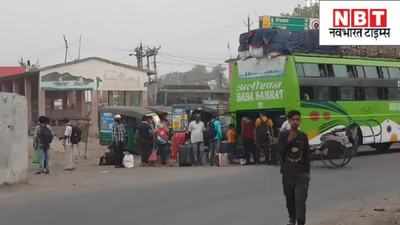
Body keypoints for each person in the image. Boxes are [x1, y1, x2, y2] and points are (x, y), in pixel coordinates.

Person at [279, 110, 311, 225]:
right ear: (289, 121)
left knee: (300, 201)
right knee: (290, 200)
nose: (296, 122)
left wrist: (307, 173)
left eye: (298, 119)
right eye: (293, 119)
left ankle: (301, 222)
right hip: (288, 175)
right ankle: (292, 219)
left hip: (301, 175)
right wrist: (289, 140)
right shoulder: (283, 135)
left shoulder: (303, 136)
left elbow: (307, 155)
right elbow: (281, 152)